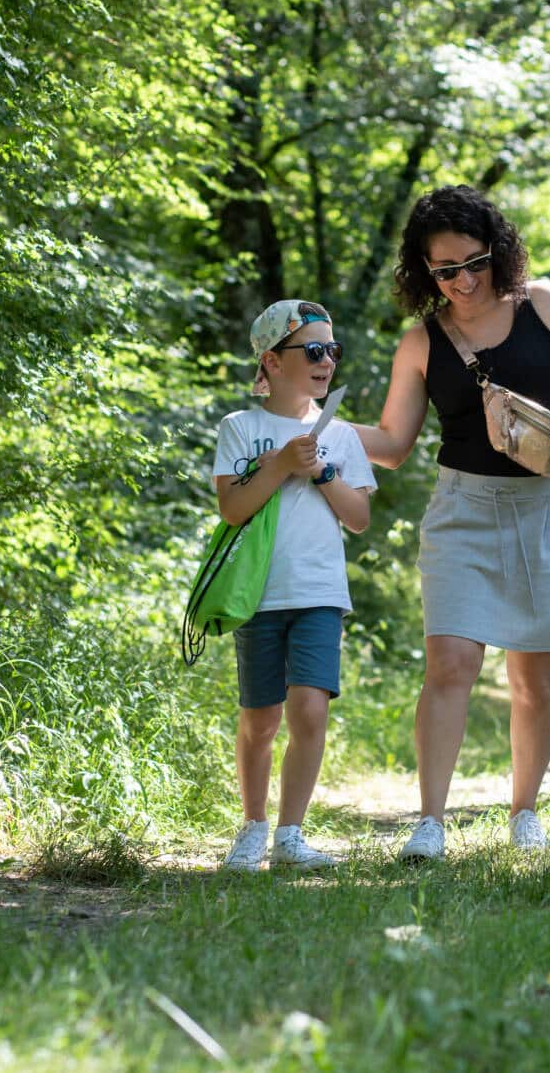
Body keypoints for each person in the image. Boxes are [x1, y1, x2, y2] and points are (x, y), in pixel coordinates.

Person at [354, 185, 550, 860]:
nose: (464, 280)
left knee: (534, 679)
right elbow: (392, 441)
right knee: (451, 665)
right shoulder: (421, 342)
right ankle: (430, 822)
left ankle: (524, 810)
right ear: (424, 270)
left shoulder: (545, 303)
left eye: (475, 262)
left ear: (498, 250)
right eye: (446, 270)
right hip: (462, 513)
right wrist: (311, 432)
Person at [213, 300, 376, 871]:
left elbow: (357, 517)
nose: (326, 360)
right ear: (272, 362)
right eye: (312, 350)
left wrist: (323, 471)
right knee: (261, 719)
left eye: (332, 350)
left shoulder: (343, 436)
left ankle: (290, 834)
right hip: (257, 594)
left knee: (310, 710)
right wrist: (280, 465)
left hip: (320, 594)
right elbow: (233, 508)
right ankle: (253, 827)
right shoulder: (241, 428)